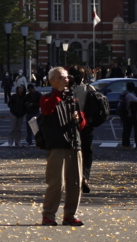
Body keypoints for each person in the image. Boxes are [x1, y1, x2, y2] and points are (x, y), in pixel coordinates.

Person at [39, 66, 86, 227]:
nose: (65, 80)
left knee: (75, 182)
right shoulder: (47, 97)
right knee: (56, 183)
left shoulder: (73, 97)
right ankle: (49, 215)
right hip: (57, 145)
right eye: (60, 78)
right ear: (51, 81)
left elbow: (82, 123)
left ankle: (70, 215)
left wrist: (78, 117)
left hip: (74, 144)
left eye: (65, 77)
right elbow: (47, 109)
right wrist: (58, 92)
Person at [68, 67, 95, 194]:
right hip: (87, 125)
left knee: (71, 152)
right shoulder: (89, 88)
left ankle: (73, 178)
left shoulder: (66, 91)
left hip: (70, 125)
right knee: (87, 152)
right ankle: (85, 177)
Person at [119, 82, 136, 148]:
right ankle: (126, 143)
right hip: (128, 114)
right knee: (128, 130)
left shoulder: (123, 93)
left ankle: (124, 142)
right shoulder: (129, 95)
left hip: (123, 113)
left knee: (125, 129)